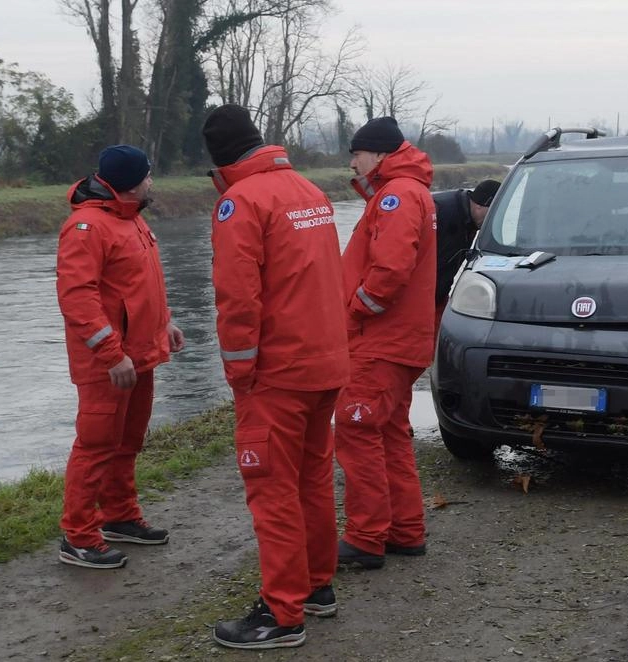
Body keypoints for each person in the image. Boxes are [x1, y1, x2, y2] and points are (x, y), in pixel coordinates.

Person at [202, 104, 350, 650]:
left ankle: (281, 614)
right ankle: (316, 587)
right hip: (325, 363)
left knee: (272, 490)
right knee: (311, 478)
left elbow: (238, 298)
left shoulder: (239, 203)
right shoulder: (308, 193)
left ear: (218, 158)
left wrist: (239, 373)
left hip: (278, 373)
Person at [54, 145, 185, 569]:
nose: (152, 182)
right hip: (107, 365)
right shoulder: (86, 227)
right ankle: (78, 535)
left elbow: (143, 284)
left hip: (138, 355)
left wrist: (165, 323)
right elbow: (77, 299)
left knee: (127, 442)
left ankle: (120, 516)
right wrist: (111, 354)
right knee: (95, 445)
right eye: (148, 175)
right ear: (132, 182)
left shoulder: (131, 219)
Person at [335, 116, 437, 570]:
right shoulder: (408, 191)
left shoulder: (397, 195)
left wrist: (356, 309)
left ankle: (366, 538)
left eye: (356, 154)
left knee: (357, 432)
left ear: (377, 154)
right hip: (400, 340)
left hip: (381, 342)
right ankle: (404, 530)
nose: (352, 163)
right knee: (390, 433)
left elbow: (390, 270)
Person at [434, 179, 501, 319]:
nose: (492, 222)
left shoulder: (471, 220)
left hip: (438, 296)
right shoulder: (440, 209)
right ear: (479, 206)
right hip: (415, 297)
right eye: (493, 215)